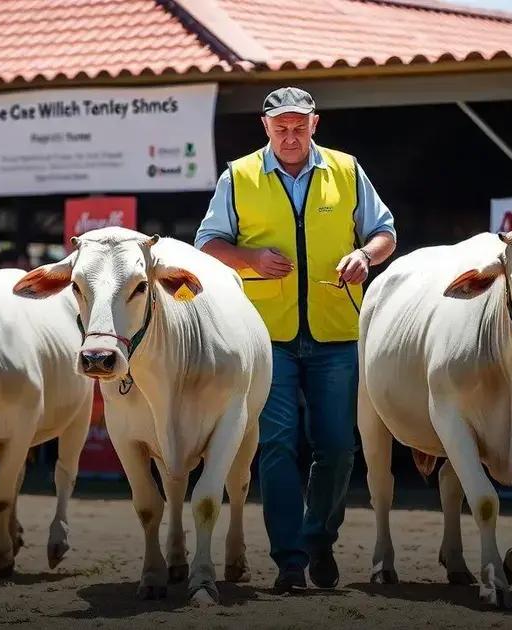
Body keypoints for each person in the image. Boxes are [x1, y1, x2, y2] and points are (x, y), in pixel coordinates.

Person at [195, 86, 397, 593]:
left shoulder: (346, 170)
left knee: (338, 447)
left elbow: (385, 232)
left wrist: (365, 256)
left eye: (299, 126)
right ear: (265, 127)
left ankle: (318, 540)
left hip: (336, 331)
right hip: (267, 338)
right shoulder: (238, 176)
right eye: (281, 127)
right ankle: (289, 560)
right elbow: (207, 243)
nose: (290, 136)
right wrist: (250, 259)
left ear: (315, 124)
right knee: (277, 445)